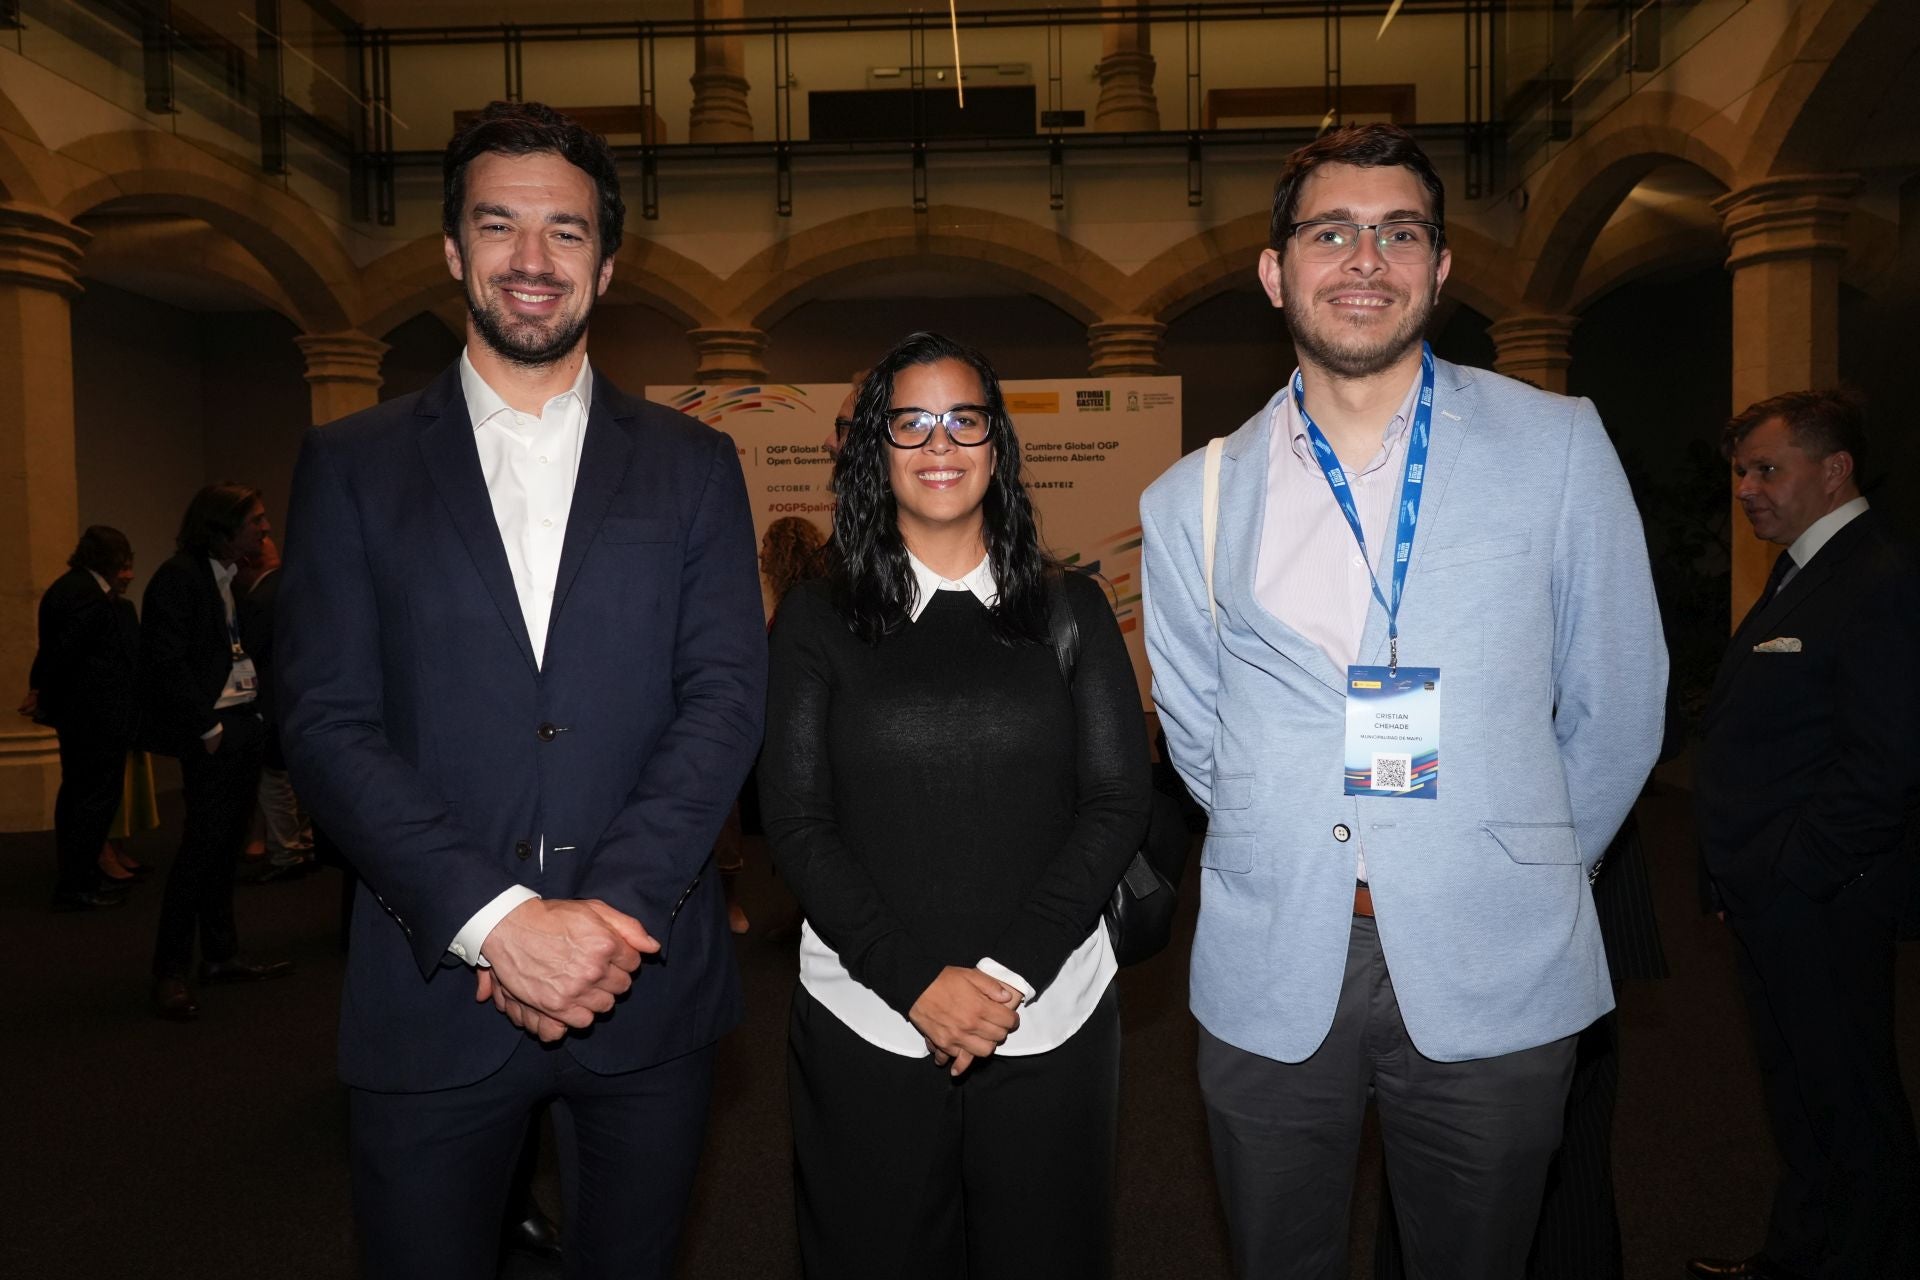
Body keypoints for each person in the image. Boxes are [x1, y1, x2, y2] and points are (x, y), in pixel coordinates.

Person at [1139, 122, 1665, 1279]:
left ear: (1440, 267)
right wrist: (1296, 833)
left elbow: (1619, 700)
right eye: (1331, 232)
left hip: (1496, 950)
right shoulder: (1191, 498)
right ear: (1276, 270)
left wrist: (1523, 863)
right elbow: (1199, 729)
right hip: (1276, 956)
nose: (1365, 258)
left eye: (1400, 232)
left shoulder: (1558, 445)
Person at [277, 100, 766, 1280]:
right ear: (454, 250)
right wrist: (498, 920)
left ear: (608, 261)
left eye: (566, 231)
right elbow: (327, 720)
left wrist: (604, 923)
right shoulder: (352, 464)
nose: (532, 259)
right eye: (500, 226)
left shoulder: (695, 464)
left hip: (644, 983)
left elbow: (723, 699)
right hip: (432, 985)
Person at [760, 330, 1150, 1279]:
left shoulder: (1071, 608)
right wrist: (916, 985)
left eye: (964, 420)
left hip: (1050, 1014)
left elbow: (1115, 803)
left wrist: (1007, 976)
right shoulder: (815, 617)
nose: (940, 443)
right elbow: (798, 824)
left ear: (996, 442)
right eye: (912, 422)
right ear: (876, 448)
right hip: (865, 1014)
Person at [1689, 390, 1920, 1280]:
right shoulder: (1802, 569)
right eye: (1741, 471)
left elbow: (1888, 761)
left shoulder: (1879, 576)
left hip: (1823, 901)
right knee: (1801, 1095)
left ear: (1834, 471)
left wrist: (1793, 874)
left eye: (1766, 469)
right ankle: (1795, 1257)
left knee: (1851, 1104)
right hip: (1774, 898)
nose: (1746, 488)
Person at [141, 484, 291, 1020]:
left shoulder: (227, 578)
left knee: (225, 849)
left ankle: (221, 956)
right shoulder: (179, 577)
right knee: (198, 854)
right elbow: (165, 662)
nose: (265, 529)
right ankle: (170, 971)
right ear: (222, 526)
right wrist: (207, 728)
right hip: (214, 734)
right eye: (256, 520)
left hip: (240, 727)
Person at [31, 525, 141, 911]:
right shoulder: (88, 596)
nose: (128, 573)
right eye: (123, 563)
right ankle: (78, 884)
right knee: (92, 801)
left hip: (82, 718)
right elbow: (71, 656)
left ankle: (81, 877)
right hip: (95, 719)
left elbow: (54, 654)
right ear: (106, 561)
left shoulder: (69, 589)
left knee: (79, 797)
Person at [235, 535, 314, 885]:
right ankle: (305, 843)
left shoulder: (259, 599)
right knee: (299, 779)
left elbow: (249, 657)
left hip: (271, 702)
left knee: (274, 780)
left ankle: (287, 851)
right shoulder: (300, 588)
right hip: (302, 699)